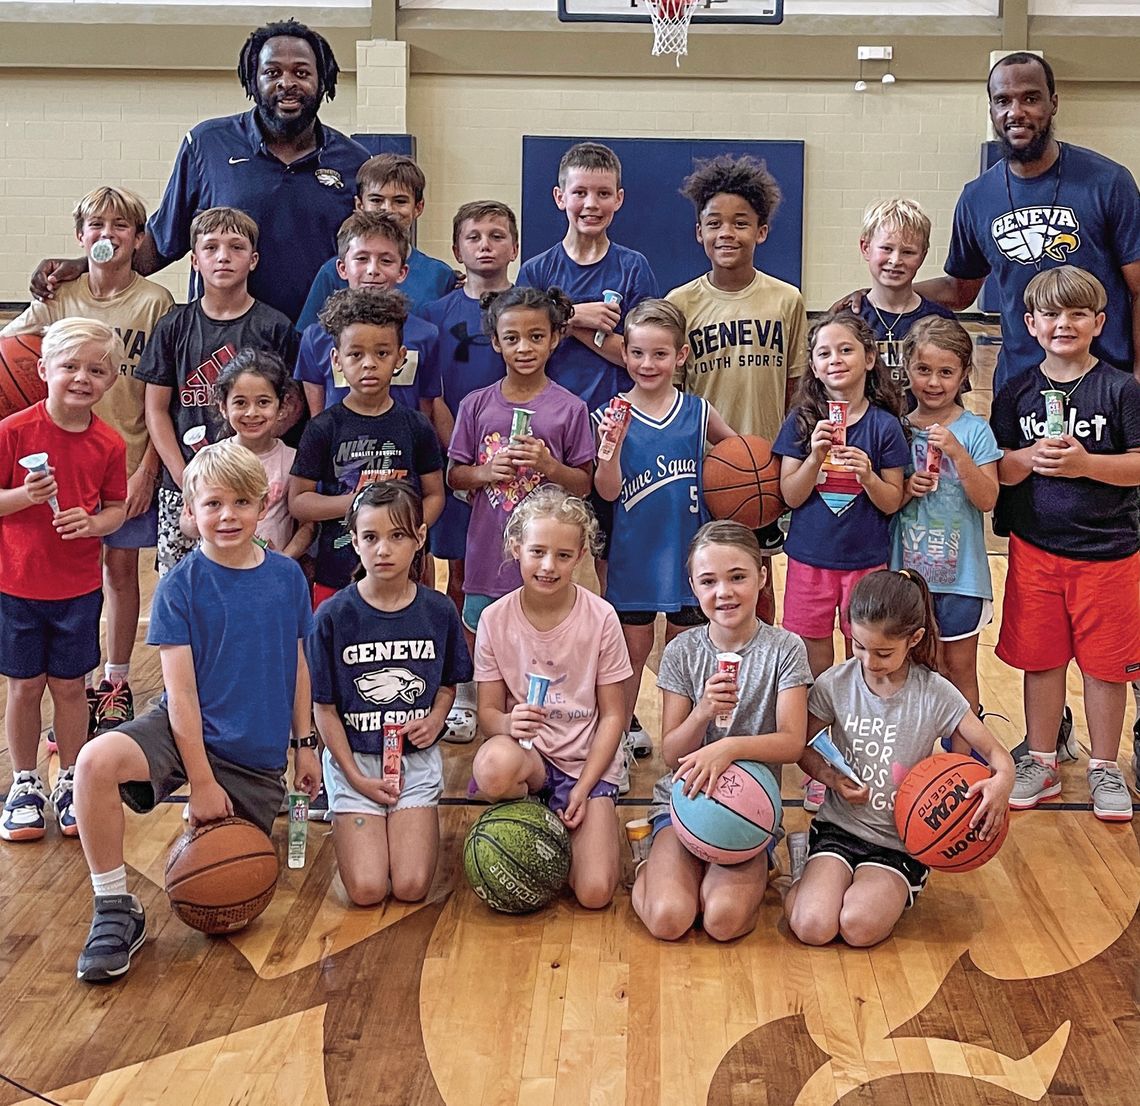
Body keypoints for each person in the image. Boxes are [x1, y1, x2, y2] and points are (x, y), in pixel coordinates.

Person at [71, 439, 320, 981]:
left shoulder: (286, 578)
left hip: (253, 753)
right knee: (93, 763)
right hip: (182, 728)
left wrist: (306, 745)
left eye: (240, 503)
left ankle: (197, 829)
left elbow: (298, 667)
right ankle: (114, 907)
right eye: (212, 504)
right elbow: (180, 696)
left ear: (263, 503)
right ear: (189, 511)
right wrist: (201, 783)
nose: (227, 516)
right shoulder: (179, 587)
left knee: (221, 900)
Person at [30, 21, 368, 325]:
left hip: (322, 343)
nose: (287, 83)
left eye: (302, 73)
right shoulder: (208, 144)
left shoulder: (353, 161)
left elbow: (376, 256)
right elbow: (160, 245)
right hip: (222, 342)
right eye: (273, 72)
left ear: (322, 80)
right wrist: (88, 264)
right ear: (253, 78)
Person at [2, 186, 173, 737]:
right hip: (55, 460)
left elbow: (157, 390)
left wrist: (147, 468)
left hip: (123, 454)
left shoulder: (154, 302)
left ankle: (115, 681)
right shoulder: (57, 294)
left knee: (121, 572)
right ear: (81, 236)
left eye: (121, 226)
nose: (107, 235)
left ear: (139, 238)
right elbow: (15, 351)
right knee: (60, 567)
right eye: (96, 226)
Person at [784, 569, 1014, 948]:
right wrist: (829, 777)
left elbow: (996, 755)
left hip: (899, 841)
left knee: (857, 927)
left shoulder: (936, 693)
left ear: (915, 639)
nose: (868, 661)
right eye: (858, 646)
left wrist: (1002, 782)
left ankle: (896, 882)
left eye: (883, 653)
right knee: (812, 926)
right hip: (839, 829)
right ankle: (803, 870)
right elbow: (801, 745)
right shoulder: (836, 683)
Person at [991, 266, 1140, 820]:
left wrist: (1085, 463)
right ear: (1030, 324)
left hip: (1110, 554)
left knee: (1106, 667)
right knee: (1042, 659)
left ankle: (1105, 766)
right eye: (1051, 314)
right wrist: (1030, 458)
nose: (1064, 323)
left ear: (1099, 322)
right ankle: (1042, 758)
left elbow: (1138, 466)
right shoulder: (1016, 392)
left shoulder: (1122, 389)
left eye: (1078, 313)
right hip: (1036, 550)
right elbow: (999, 470)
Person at [632, 522, 811, 942]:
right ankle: (646, 863)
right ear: (693, 586)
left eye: (737, 577)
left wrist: (727, 748)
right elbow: (673, 754)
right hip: (685, 801)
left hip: (748, 809)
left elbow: (791, 742)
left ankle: (758, 863)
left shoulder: (785, 649)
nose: (724, 592)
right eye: (709, 581)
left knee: (722, 921)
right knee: (669, 918)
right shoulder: (682, 652)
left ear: (762, 576)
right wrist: (702, 713)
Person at [306, 481, 472, 907]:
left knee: (412, 887)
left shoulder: (439, 611)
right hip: (355, 761)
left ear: (419, 538)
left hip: (413, 762)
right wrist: (353, 775)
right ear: (354, 541)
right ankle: (354, 817)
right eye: (371, 537)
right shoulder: (332, 617)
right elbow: (323, 710)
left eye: (397, 536)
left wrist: (437, 718)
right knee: (367, 890)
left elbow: (449, 684)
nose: (384, 549)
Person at [471, 487, 631, 910]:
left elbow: (614, 716)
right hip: (532, 760)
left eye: (562, 555)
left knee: (595, 894)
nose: (548, 565)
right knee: (492, 767)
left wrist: (585, 785)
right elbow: (487, 713)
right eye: (538, 552)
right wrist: (507, 724)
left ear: (580, 556)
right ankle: (528, 815)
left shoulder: (601, 617)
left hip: (586, 762)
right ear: (516, 548)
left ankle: (587, 821)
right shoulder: (493, 619)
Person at [773, 311, 908, 812]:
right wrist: (813, 457)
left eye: (846, 350)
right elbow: (789, 495)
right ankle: (819, 761)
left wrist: (869, 475)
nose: (835, 360)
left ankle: (858, 754)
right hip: (810, 561)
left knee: (863, 660)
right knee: (813, 659)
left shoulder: (884, 426)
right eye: (824, 352)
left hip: (866, 563)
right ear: (812, 364)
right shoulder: (802, 421)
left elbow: (892, 501)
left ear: (870, 359)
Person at [666, 154, 809, 623]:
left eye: (740, 223)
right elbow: (671, 395)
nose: (727, 232)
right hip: (700, 468)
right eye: (715, 223)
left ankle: (762, 685)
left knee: (757, 582)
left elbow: (796, 389)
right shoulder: (680, 303)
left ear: (761, 232)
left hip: (762, 469)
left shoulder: (786, 300)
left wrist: (787, 462)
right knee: (699, 589)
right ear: (698, 233)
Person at [0, 319, 127, 843]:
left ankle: (71, 777)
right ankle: (24, 781)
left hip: (77, 588)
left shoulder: (109, 443)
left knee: (72, 689)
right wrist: (23, 498)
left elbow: (117, 508)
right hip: (17, 586)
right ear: (43, 369)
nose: (81, 378)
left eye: (96, 370)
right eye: (70, 367)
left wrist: (95, 524)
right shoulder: (12, 433)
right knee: (25, 687)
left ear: (111, 380)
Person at [593, 299, 734, 759]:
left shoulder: (697, 411)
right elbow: (607, 492)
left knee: (683, 657)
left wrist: (731, 482)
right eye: (637, 353)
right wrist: (608, 454)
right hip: (633, 558)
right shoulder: (610, 414)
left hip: (687, 557)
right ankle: (614, 745)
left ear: (681, 355)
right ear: (625, 354)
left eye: (659, 354)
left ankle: (682, 748)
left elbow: (741, 460)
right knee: (631, 656)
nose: (647, 364)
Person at [134, 207, 298, 577]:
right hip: (185, 486)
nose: (223, 256)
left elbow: (292, 402)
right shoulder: (174, 326)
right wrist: (183, 476)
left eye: (236, 247)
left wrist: (254, 455)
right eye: (211, 248)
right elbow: (157, 410)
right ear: (195, 260)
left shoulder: (275, 327)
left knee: (250, 585)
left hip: (253, 487)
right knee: (184, 587)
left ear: (253, 260)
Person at [447, 287, 594, 648]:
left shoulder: (570, 408)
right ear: (496, 342)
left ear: (555, 339)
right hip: (486, 555)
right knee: (482, 640)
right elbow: (454, 475)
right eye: (512, 338)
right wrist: (486, 471)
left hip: (546, 561)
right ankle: (479, 702)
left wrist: (549, 466)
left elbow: (585, 484)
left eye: (536, 337)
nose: (524, 348)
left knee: (541, 643)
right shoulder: (475, 405)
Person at [419, 200, 515, 742]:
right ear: (456, 250)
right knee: (459, 579)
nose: (485, 245)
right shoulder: (436, 316)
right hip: (461, 464)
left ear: (514, 248)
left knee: (511, 577)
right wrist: (466, 457)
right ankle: (463, 688)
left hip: (516, 473)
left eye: (497, 236)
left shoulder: (526, 310)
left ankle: (510, 685)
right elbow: (433, 398)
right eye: (473, 236)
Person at [289, 288, 444, 610]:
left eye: (382, 353)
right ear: (337, 360)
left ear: (401, 357)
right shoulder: (322, 428)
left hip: (406, 574)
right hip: (337, 572)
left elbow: (434, 494)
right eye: (356, 354)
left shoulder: (416, 426)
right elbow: (300, 503)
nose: (369, 365)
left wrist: (410, 532)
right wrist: (360, 502)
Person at [890, 317, 1001, 740]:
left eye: (946, 372)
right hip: (908, 577)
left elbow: (988, 498)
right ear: (907, 368)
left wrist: (958, 455)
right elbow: (884, 499)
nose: (933, 382)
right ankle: (910, 756)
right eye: (923, 370)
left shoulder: (974, 431)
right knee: (910, 668)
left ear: (964, 375)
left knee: (958, 669)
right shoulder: (896, 427)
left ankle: (961, 759)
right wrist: (905, 489)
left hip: (960, 579)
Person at [516, 142, 658, 415]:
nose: (591, 204)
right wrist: (575, 315)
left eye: (603, 193)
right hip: (549, 416)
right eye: (580, 192)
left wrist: (565, 323)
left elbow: (641, 357)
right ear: (560, 197)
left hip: (617, 416)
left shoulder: (634, 268)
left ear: (618, 198)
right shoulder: (536, 271)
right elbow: (524, 352)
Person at [293, 212, 441, 420]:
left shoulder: (426, 335)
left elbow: (425, 407)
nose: (373, 270)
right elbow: (318, 416)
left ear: (402, 271)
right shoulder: (315, 337)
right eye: (362, 259)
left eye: (386, 260)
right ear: (342, 268)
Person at [296, 154, 458, 331]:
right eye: (376, 200)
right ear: (360, 205)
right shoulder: (332, 272)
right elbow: (309, 340)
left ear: (418, 207)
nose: (387, 209)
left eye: (400, 201)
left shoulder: (440, 276)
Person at [210, 349, 314, 559]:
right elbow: (189, 521)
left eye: (263, 402)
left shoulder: (292, 461)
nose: (251, 413)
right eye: (240, 402)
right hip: (219, 574)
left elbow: (308, 526)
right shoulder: (209, 460)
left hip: (271, 578)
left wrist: (283, 561)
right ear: (223, 406)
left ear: (282, 406)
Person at [855, 198, 955, 393]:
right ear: (866, 247)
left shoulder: (941, 321)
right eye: (886, 248)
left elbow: (953, 396)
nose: (895, 260)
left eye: (908, 252)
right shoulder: (848, 319)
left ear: (923, 255)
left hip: (924, 423)